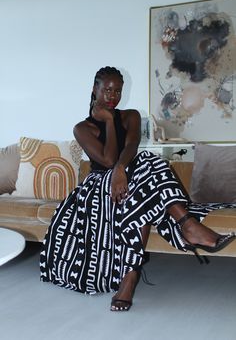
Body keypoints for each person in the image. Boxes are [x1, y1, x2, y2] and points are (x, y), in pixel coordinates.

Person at [40, 66, 236, 312]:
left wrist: (122, 169)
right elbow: (108, 161)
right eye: (107, 90)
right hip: (100, 189)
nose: (113, 96)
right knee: (145, 169)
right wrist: (109, 122)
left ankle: (130, 279)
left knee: (144, 166)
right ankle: (187, 224)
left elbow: (131, 145)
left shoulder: (131, 115)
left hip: (132, 180)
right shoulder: (81, 128)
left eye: (118, 91)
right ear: (94, 90)